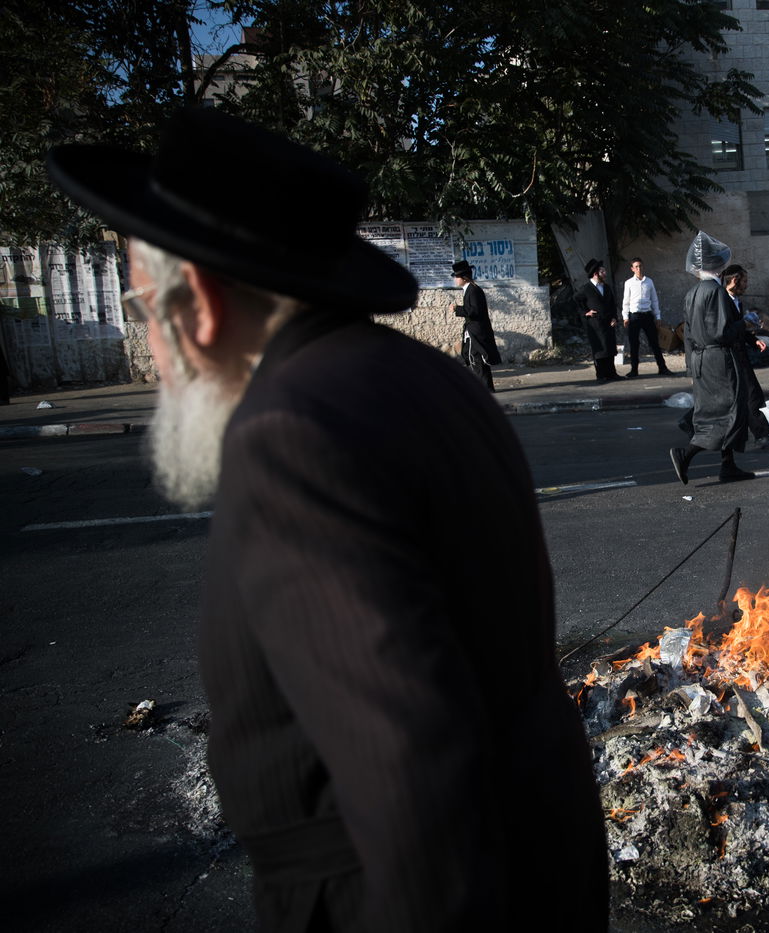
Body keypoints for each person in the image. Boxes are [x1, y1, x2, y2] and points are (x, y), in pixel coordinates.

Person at [46, 108, 608, 932]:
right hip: (543, 860)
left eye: (141, 310)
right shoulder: (431, 378)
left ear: (196, 302)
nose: (154, 349)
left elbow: (410, 773)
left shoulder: (288, 434)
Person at [668, 233, 758, 485]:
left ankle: (727, 465)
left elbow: (687, 333)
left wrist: (690, 367)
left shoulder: (692, 292)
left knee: (718, 410)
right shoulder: (716, 292)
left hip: (700, 360)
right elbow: (722, 332)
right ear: (716, 265)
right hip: (719, 359)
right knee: (730, 409)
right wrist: (745, 324)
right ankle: (686, 454)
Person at [723, 264, 769, 444]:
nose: (746, 285)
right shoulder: (722, 301)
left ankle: (760, 434)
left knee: (744, 395)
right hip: (729, 355)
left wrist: (753, 340)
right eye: (744, 281)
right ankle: (762, 435)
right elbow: (725, 330)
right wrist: (744, 323)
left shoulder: (737, 300)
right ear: (735, 280)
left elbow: (741, 329)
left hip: (739, 353)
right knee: (751, 394)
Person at [451, 259, 501, 390]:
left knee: (476, 358)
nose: (455, 279)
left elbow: (475, 311)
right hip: (472, 330)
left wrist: (457, 309)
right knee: (470, 355)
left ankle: (486, 388)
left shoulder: (473, 290)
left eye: (457, 277)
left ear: (464, 278)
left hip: (477, 331)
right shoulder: (469, 290)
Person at [621, 257, 671, 377]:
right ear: (632, 269)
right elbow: (626, 301)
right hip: (634, 316)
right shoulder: (629, 283)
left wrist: (657, 316)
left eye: (640, 266)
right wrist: (625, 317)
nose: (639, 268)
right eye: (636, 266)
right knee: (634, 343)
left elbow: (654, 300)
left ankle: (662, 367)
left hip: (647, 315)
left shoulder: (649, 282)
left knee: (654, 342)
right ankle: (634, 370)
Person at [577, 258, 622, 381]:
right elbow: (576, 301)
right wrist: (586, 312)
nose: (605, 273)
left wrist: (614, 317)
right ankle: (601, 375)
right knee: (599, 350)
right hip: (595, 325)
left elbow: (613, 304)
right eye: (603, 271)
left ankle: (611, 373)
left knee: (610, 348)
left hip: (608, 323)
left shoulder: (606, 287)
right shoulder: (586, 288)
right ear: (596, 274)